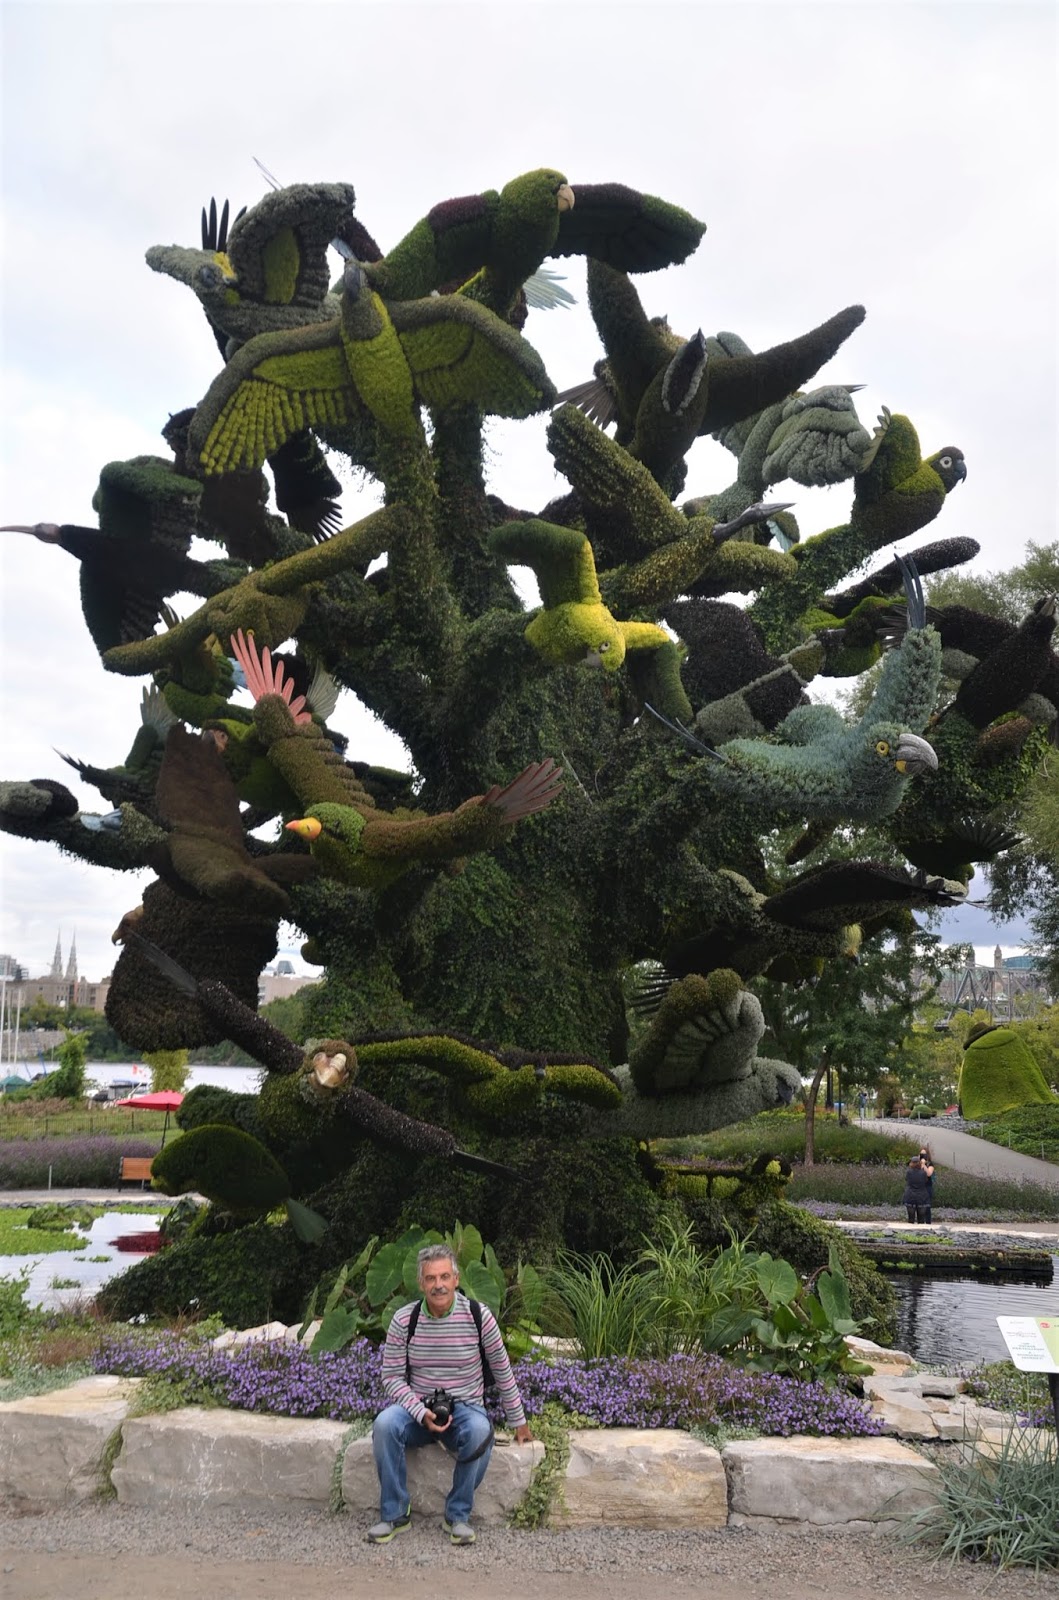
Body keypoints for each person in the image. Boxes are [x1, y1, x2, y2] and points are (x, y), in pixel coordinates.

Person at [368, 1243, 534, 1547]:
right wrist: (421, 1412)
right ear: (421, 1283)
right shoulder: (404, 1320)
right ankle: (394, 1513)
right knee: (385, 1424)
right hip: (419, 1408)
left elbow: (502, 1369)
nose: (439, 1285)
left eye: (445, 1276)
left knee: (480, 1431)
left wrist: (518, 1421)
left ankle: (457, 1515)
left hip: (466, 1409)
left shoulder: (478, 1316)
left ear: (456, 1279)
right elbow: (391, 1377)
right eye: (431, 1278)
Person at [902, 1153, 932, 1224]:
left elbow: (907, 1180)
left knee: (911, 1218)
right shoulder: (923, 1173)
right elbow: (925, 1181)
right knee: (921, 1219)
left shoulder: (908, 1172)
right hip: (922, 1196)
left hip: (910, 1195)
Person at [918, 1145, 935, 1216]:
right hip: (919, 1187)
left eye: (924, 1154)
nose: (922, 1156)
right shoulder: (917, 1164)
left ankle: (928, 1221)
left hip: (927, 1187)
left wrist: (924, 1165)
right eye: (921, 1154)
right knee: (919, 1207)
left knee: (927, 1207)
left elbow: (929, 1173)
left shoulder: (930, 1164)